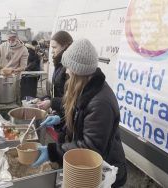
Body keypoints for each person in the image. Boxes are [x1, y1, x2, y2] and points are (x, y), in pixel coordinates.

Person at [32, 39, 127, 187]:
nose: (67, 71)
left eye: (69, 68)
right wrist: (62, 120)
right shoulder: (86, 87)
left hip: (103, 171)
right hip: (86, 169)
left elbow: (90, 148)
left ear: (79, 71)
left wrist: (54, 151)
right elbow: (80, 117)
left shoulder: (100, 103)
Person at [37, 31, 73, 117]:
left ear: (64, 46)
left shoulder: (68, 67)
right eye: (51, 48)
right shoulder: (58, 63)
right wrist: (45, 98)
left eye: (54, 47)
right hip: (59, 112)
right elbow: (56, 90)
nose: (52, 51)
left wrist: (51, 102)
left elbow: (71, 98)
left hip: (66, 115)